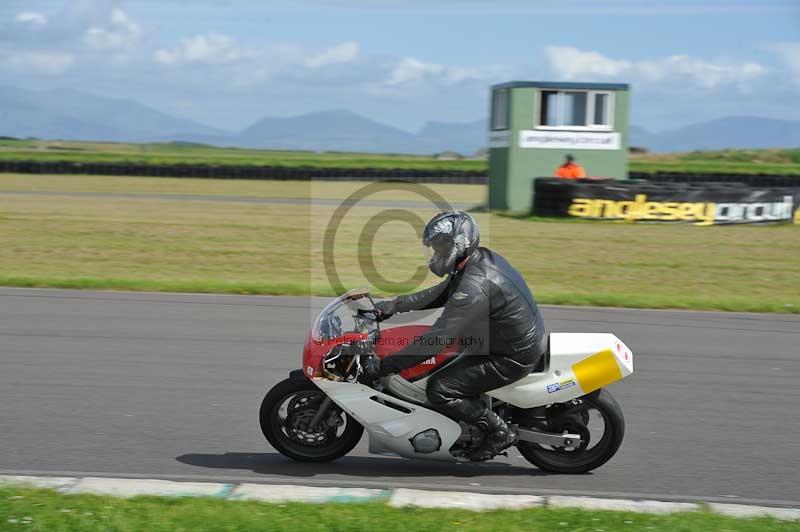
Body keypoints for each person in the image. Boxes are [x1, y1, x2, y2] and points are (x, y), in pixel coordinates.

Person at [361, 211, 547, 461]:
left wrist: (386, 366)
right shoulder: (477, 260)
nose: (435, 253)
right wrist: (394, 306)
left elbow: (438, 338)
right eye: (434, 248)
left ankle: (498, 431)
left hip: (509, 356)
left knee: (441, 388)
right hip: (503, 340)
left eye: (440, 247)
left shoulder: (475, 285)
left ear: (458, 244)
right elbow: (443, 291)